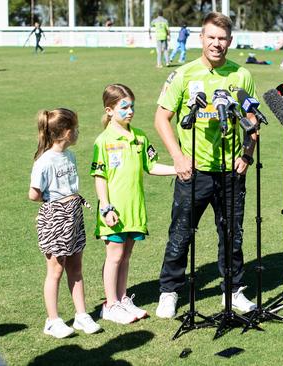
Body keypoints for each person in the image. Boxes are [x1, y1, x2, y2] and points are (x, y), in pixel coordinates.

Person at [153, 12, 259, 319]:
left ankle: (234, 290)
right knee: (181, 233)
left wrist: (247, 154)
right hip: (193, 171)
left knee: (231, 234)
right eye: (211, 37)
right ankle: (170, 291)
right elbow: (162, 117)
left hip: (230, 171)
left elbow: (253, 121)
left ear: (230, 41)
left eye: (222, 38)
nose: (216, 43)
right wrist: (177, 157)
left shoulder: (241, 75)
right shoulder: (184, 74)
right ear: (201, 38)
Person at [91, 84, 176, 324]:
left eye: (132, 106)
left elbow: (151, 166)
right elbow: (100, 177)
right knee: (114, 256)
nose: (130, 111)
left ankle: (122, 298)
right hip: (114, 212)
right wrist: (105, 207)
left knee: (126, 256)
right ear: (109, 110)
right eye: (124, 107)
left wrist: (177, 169)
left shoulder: (139, 136)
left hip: (134, 210)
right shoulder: (104, 141)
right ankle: (110, 305)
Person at [29, 108, 101, 338]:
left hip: (74, 215)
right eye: (75, 128)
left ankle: (81, 315)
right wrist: (56, 204)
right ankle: (53, 321)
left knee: (76, 267)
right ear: (65, 132)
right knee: (56, 270)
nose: (78, 132)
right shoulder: (44, 161)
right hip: (56, 216)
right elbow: (34, 194)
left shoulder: (70, 156)